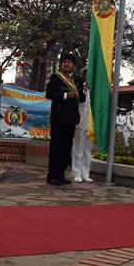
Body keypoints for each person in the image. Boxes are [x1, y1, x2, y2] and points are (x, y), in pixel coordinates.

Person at [45, 54, 85, 186]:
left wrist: (83, 91)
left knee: (66, 148)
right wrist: (65, 95)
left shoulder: (78, 79)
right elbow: (49, 94)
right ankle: (52, 176)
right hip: (59, 117)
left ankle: (61, 175)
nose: (66, 64)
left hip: (71, 119)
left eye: (69, 62)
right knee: (56, 147)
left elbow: (81, 99)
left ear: (74, 65)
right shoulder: (56, 77)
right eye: (64, 62)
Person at [72, 80, 93, 183]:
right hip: (80, 123)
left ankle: (85, 173)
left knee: (88, 151)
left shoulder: (95, 90)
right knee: (78, 150)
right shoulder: (79, 88)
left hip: (91, 125)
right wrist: (83, 90)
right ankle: (77, 173)